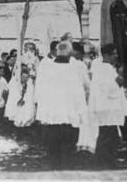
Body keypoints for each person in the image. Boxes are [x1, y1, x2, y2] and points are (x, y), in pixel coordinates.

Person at [35, 40, 88, 169]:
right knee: (68, 155)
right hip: (69, 120)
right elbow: (80, 95)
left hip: (51, 119)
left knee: (53, 154)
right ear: (70, 54)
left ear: (56, 52)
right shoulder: (74, 70)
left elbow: (39, 93)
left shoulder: (46, 68)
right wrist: (83, 116)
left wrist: (41, 115)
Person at [89, 44, 126, 167]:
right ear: (106, 55)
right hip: (106, 107)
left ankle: (107, 160)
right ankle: (104, 161)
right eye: (114, 53)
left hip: (106, 106)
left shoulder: (104, 67)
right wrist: (120, 79)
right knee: (107, 136)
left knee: (110, 135)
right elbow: (109, 89)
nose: (116, 56)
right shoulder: (105, 69)